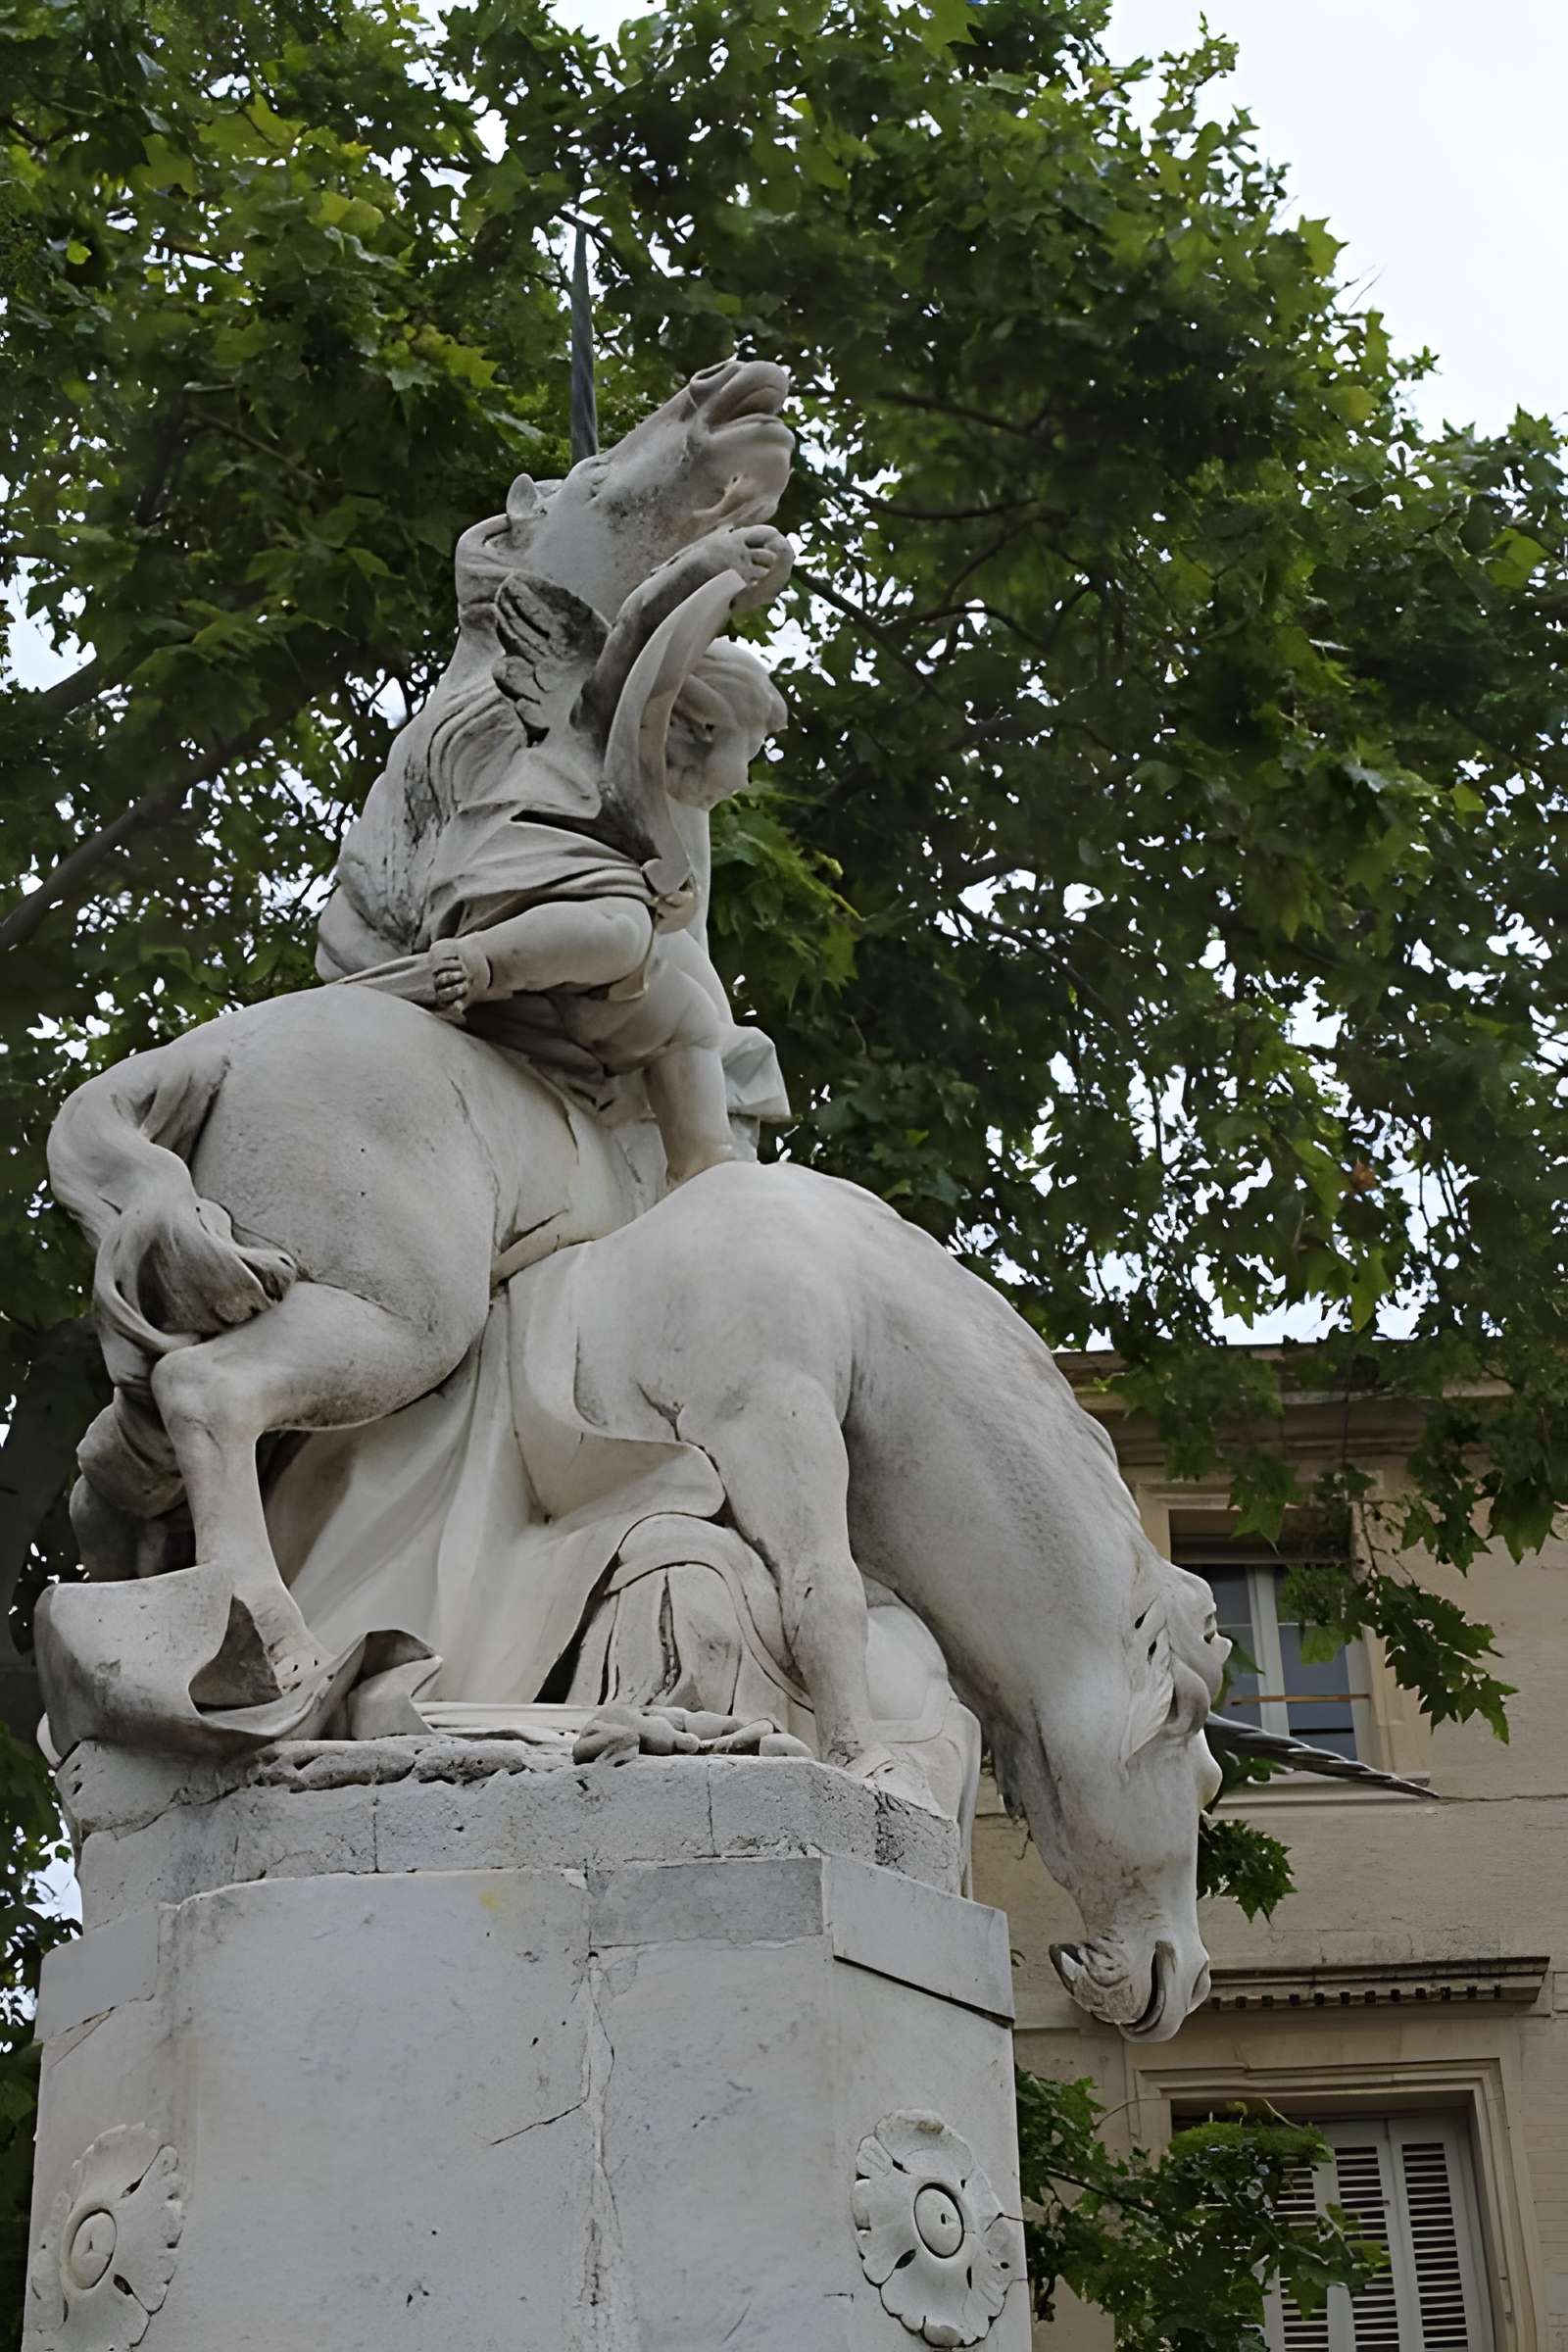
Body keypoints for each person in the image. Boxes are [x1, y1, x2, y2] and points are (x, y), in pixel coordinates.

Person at [343, 523, 790, 1184]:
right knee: (624, 931)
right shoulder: (601, 720)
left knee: (692, 1015)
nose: (745, 780)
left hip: (578, 943)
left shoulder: (664, 802)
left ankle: (702, 1169)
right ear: (700, 726)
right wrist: (707, 564)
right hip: (526, 875)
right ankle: (470, 967)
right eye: (745, 756)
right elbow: (640, 621)